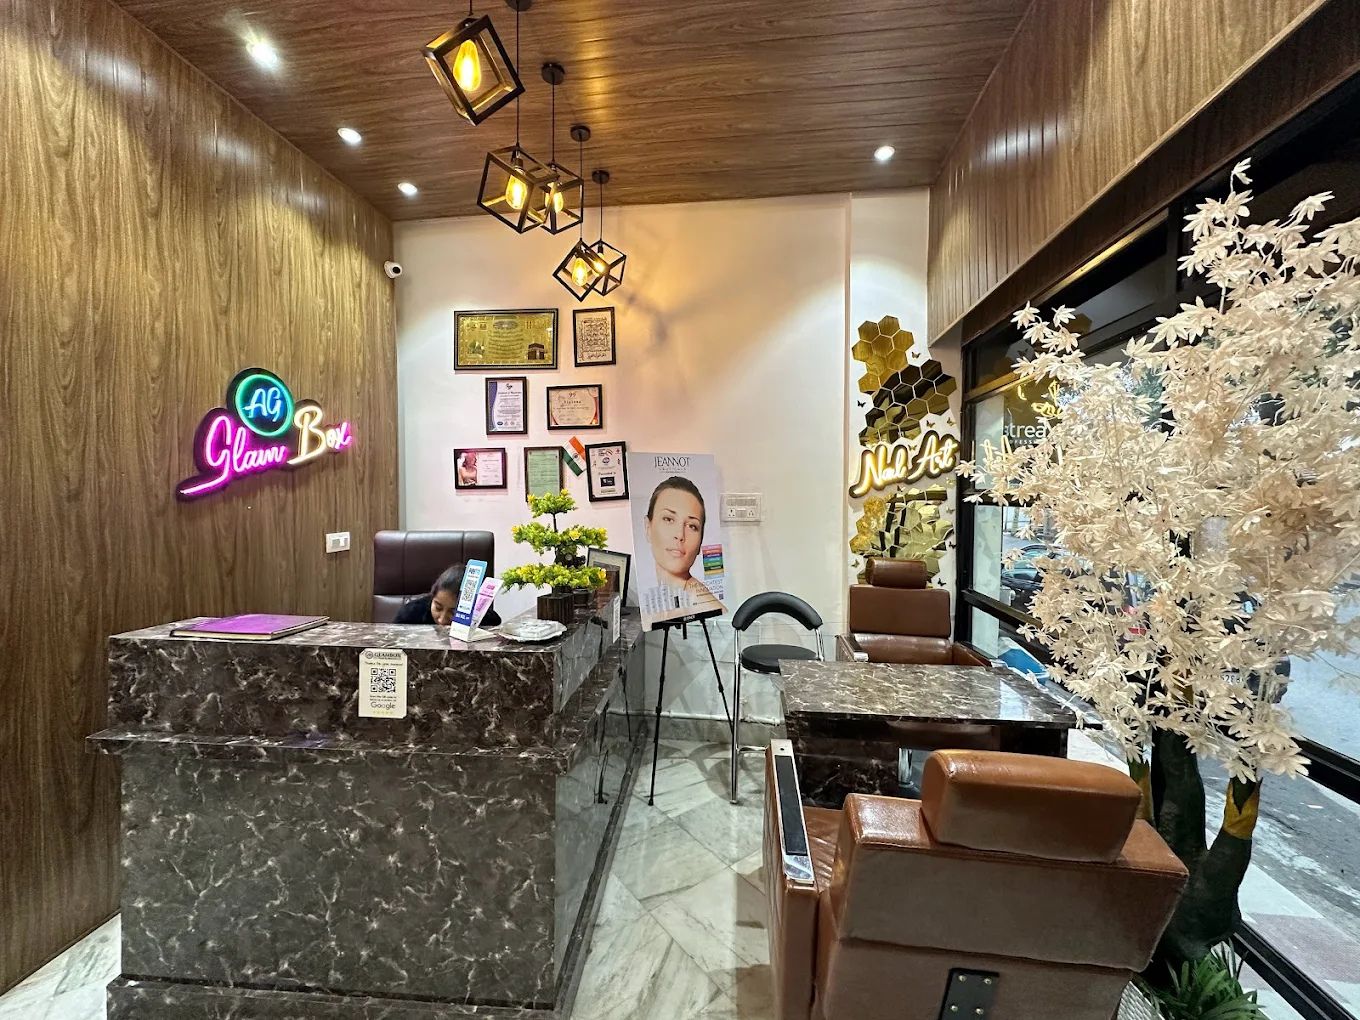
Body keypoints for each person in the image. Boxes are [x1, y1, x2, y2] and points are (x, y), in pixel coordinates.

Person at [643, 476, 721, 613]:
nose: (680, 535)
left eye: (692, 526)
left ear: (701, 540)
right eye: (668, 519)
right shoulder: (657, 600)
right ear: (648, 527)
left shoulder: (707, 608)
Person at [393, 563, 502, 627]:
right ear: (432, 597)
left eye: (453, 612)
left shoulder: (484, 619)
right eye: (438, 608)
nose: (442, 620)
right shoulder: (409, 615)